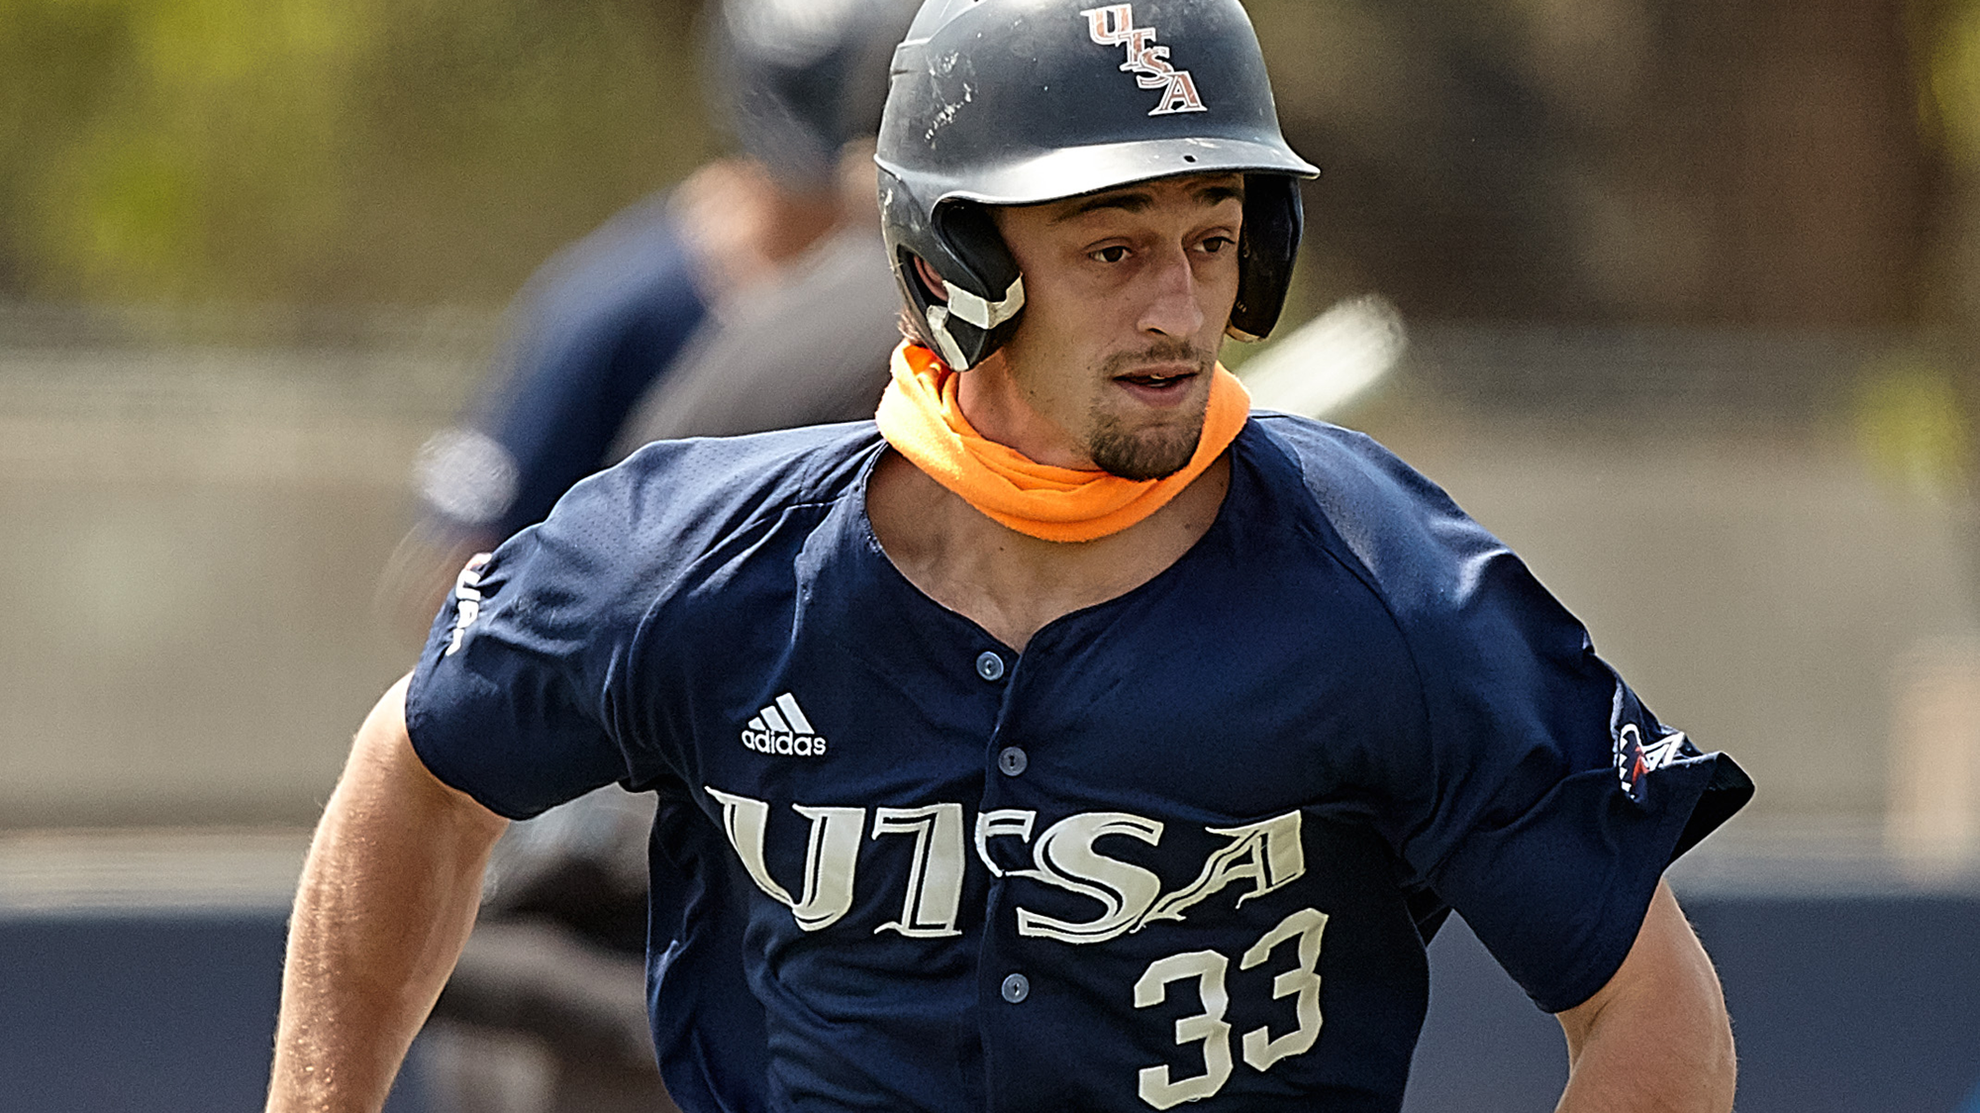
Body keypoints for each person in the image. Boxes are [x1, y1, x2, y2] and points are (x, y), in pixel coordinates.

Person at [270, 1, 1754, 1110]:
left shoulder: (1394, 584)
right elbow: (415, 777)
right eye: (1112, 250)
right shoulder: (691, 563)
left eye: (1213, 238)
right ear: (950, 269)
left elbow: (1654, 1017)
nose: (1179, 306)